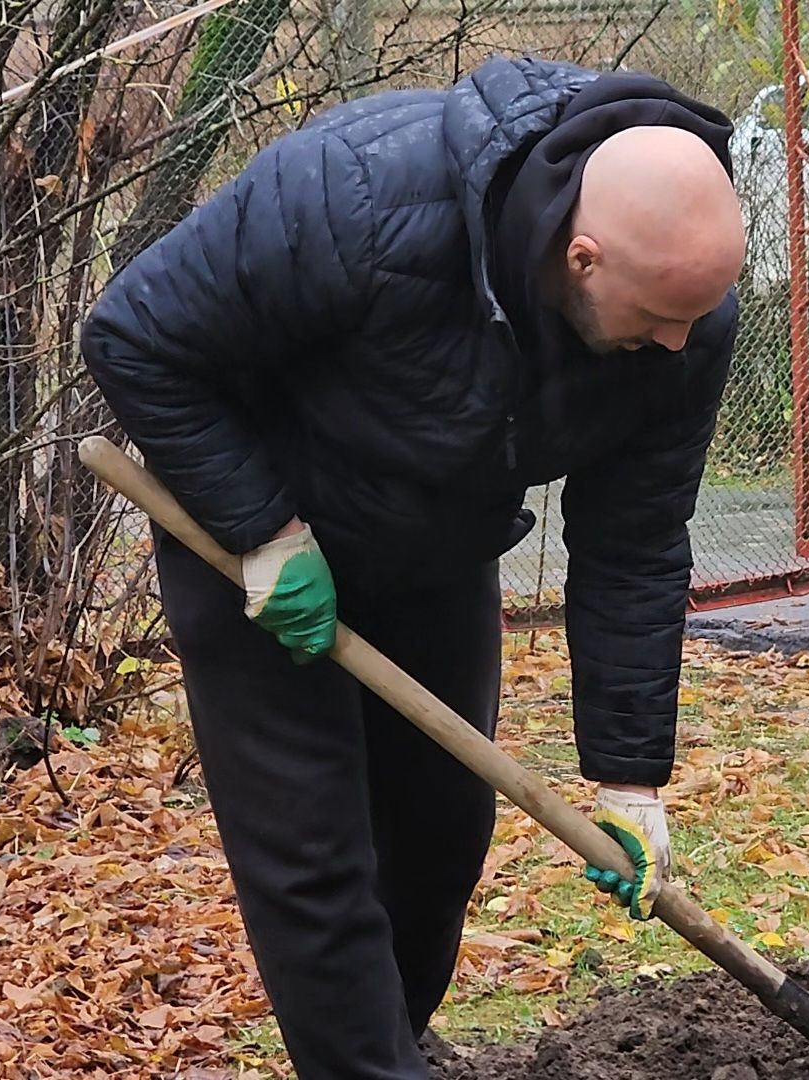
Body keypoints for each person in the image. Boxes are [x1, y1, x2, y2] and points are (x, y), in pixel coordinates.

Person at [80, 53, 745, 1080]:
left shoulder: (685, 316)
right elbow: (135, 335)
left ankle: (393, 1046)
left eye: (694, 321)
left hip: (435, 545)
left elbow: (636, 540)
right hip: (258, 540)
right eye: (657, 319)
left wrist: (629, 778)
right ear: (582, 255)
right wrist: (262, 529)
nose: (677, 345)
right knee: (316, 864)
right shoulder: (360, 189)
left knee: (440, 835)